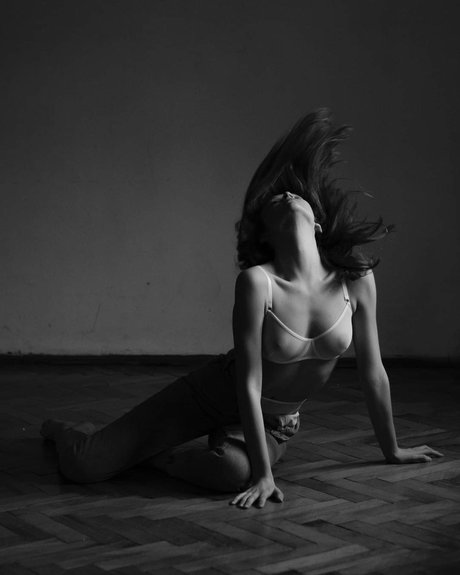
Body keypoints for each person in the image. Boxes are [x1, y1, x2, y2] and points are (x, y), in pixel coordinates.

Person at [41, 109, 442, 509]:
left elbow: (373, 372)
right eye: (276, 198)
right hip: (217, 392)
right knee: (85, 465)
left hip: (277, 421)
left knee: (230, 472)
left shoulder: (355, 278)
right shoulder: (257, 282)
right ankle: (67, 432)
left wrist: (392, 449)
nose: (287, 196)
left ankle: (155, 457)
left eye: (296, 195)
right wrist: (265, 475)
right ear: (265, 233)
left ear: (318, 224)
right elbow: (248, 382)